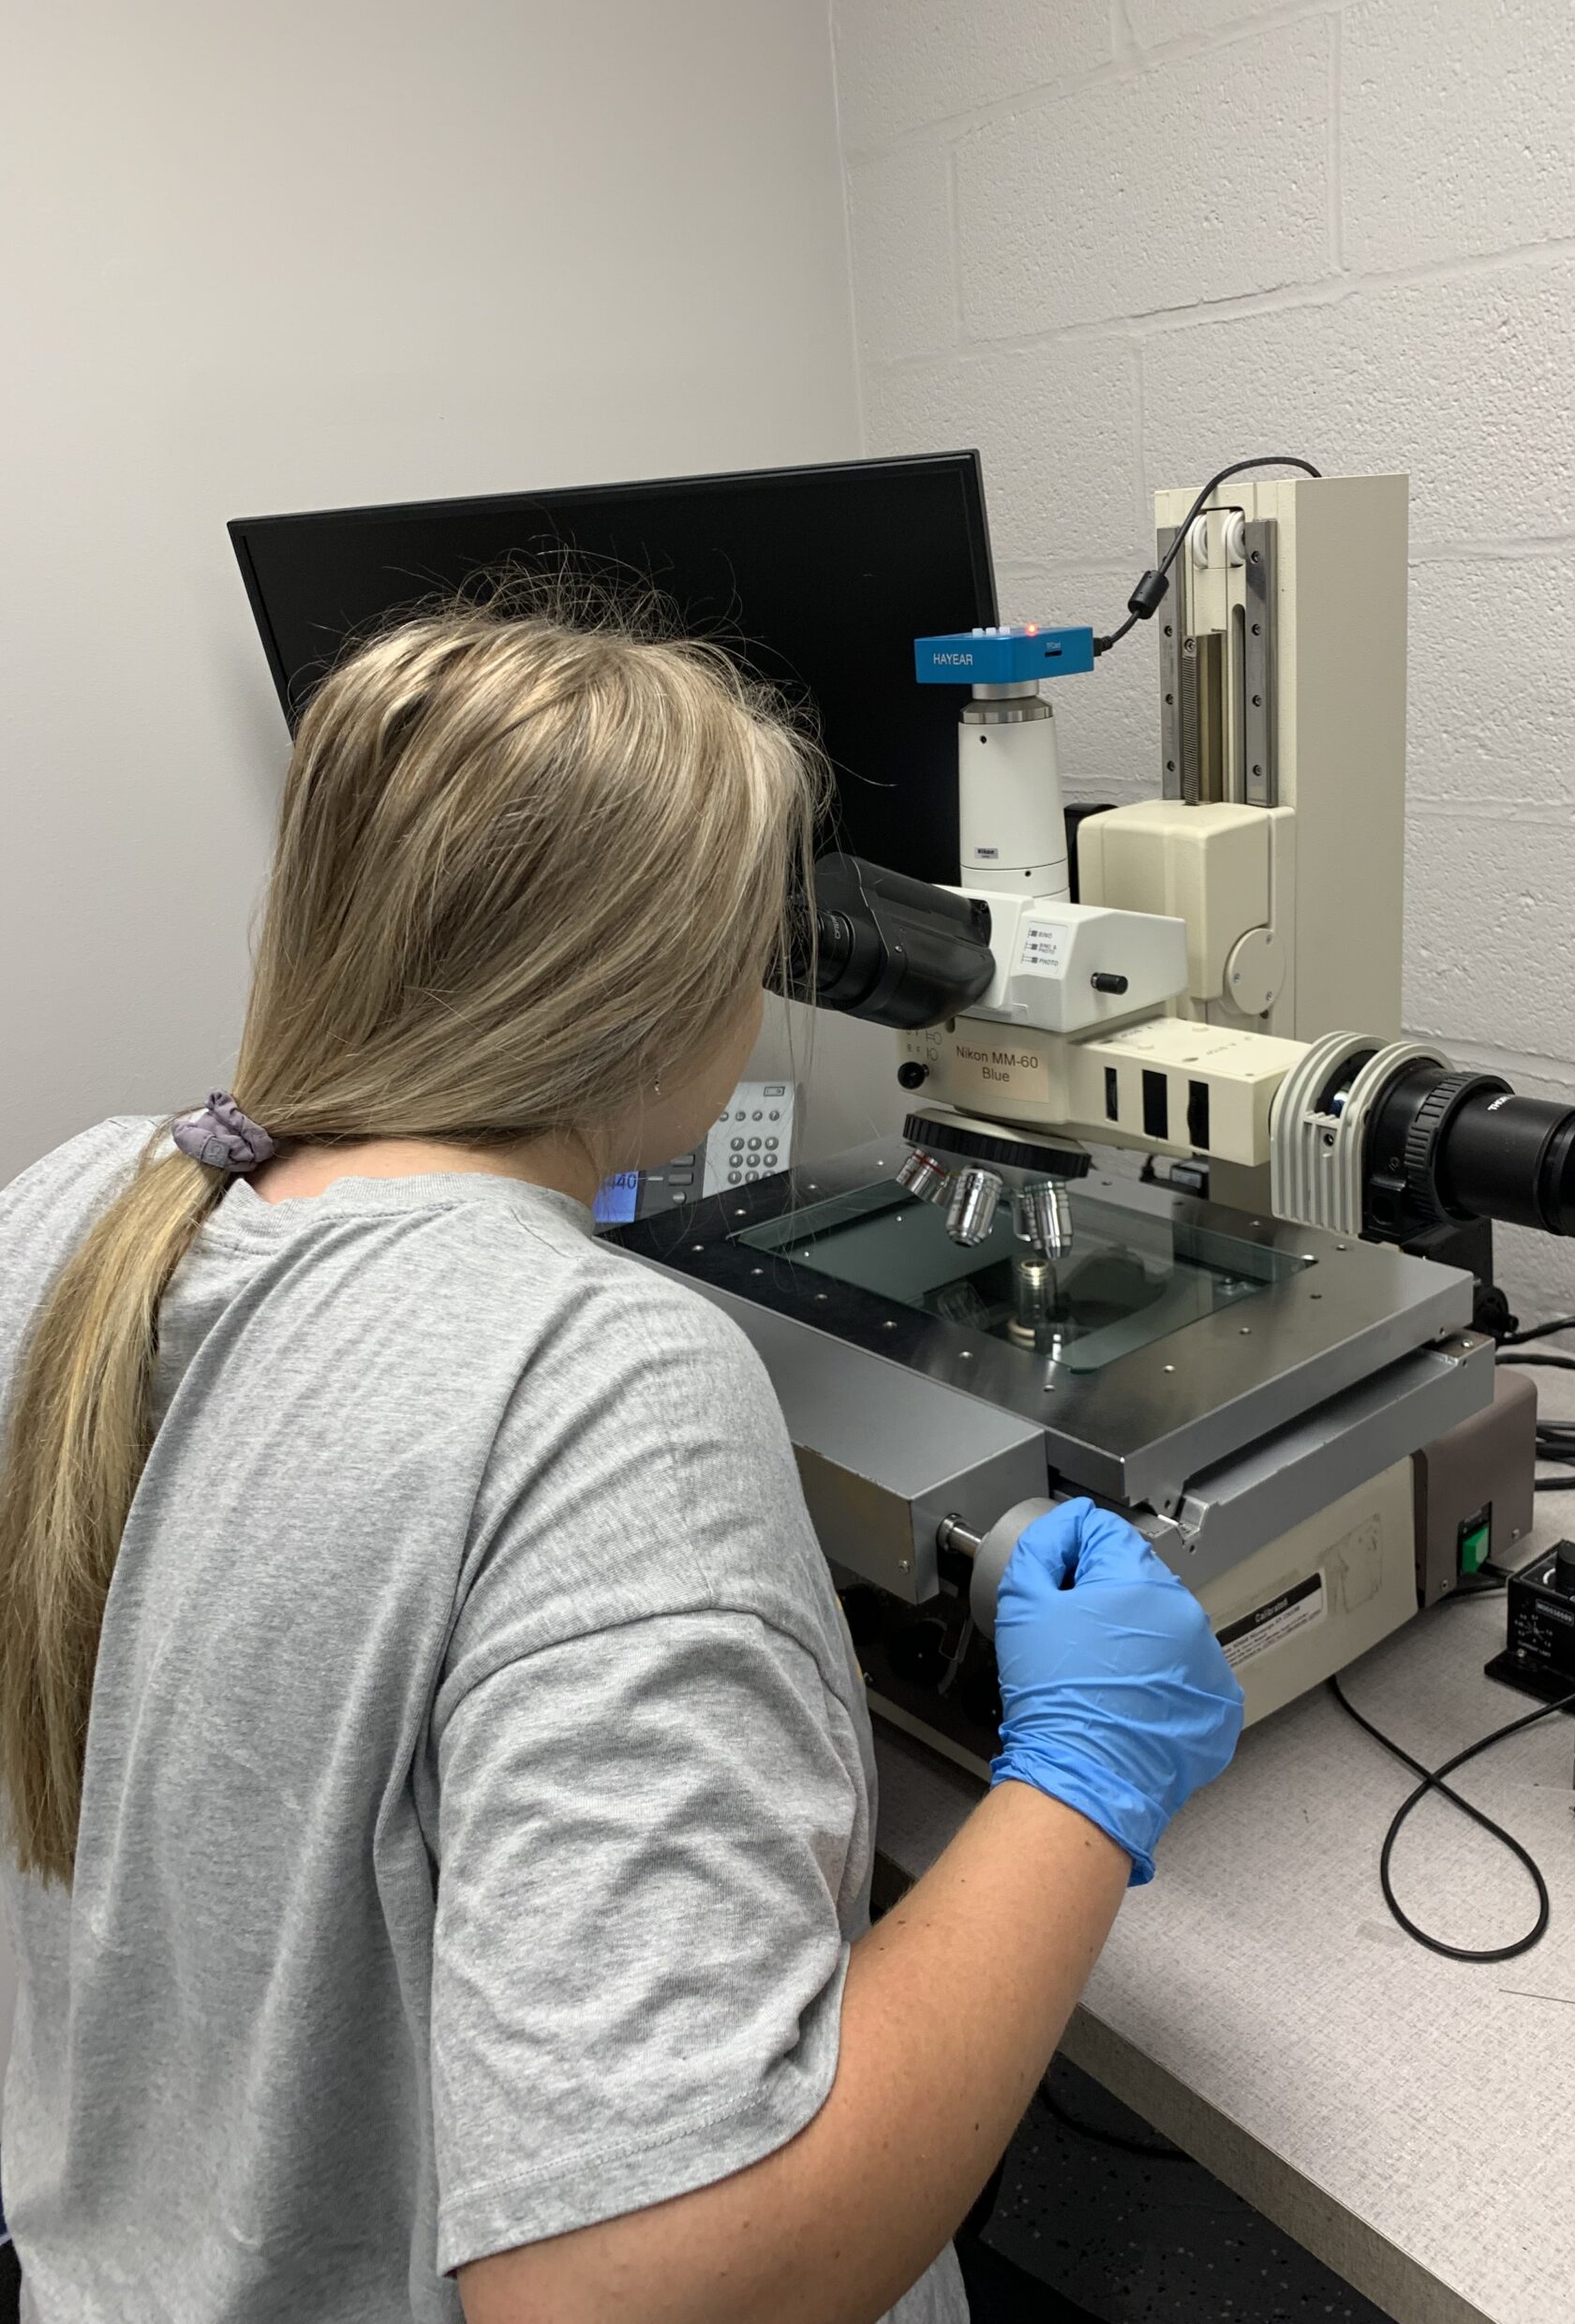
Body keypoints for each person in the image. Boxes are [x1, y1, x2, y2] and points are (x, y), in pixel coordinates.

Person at [0, 605, 1243, 2324]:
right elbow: (653, 2291)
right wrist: (1081, 1786)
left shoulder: (83, 1210)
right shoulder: (597, 1380)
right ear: (664, 991)